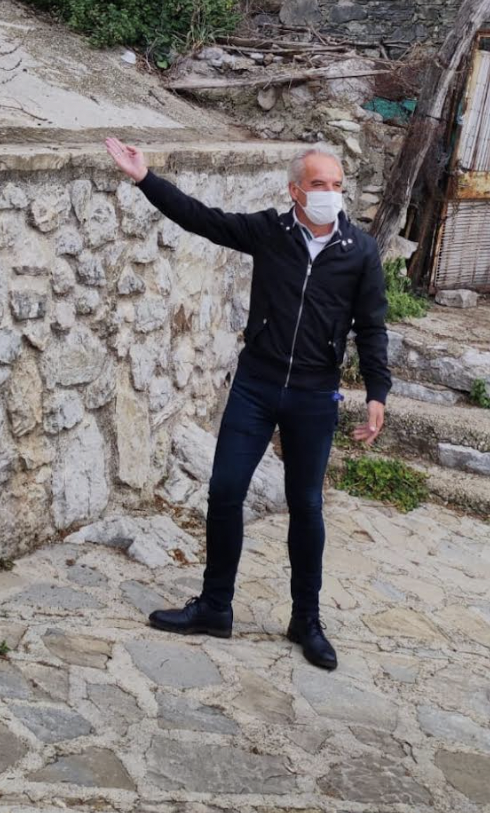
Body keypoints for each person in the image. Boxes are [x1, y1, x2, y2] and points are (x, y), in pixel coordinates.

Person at [104, 138, 390, 671]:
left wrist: (377, 392)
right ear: (295, 191)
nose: (330, 194)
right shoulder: (270, 232)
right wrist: (146, 179)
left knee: (306, 506)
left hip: (313, 394)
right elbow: (201, 219)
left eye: (337, 185)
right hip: (256, 385)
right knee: (225, 490)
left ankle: (306, 619)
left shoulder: (360, 251)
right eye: (319, 185)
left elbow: (372, 326)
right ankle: (215, 605)